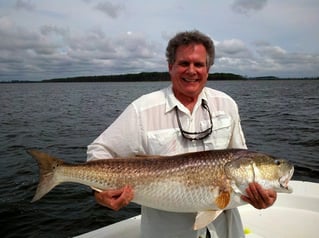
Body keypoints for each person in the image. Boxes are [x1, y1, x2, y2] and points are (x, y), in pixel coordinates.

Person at [87, 30, 277, 238]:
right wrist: (99, 193)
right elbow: (99, 150)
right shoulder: (142, 110)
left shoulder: (227, 105)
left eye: (199, 64)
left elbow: (243, 160)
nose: (191, 71)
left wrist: (263, 195)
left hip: (226, 231)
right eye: (184, 63)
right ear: (171, 67)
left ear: (208, 69)